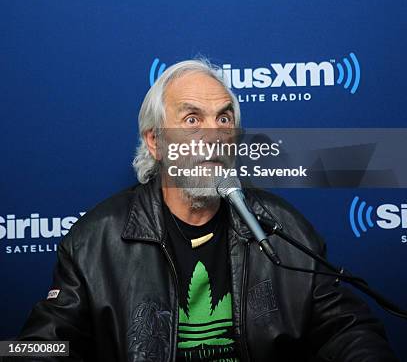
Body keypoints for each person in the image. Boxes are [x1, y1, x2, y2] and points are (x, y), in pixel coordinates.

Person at [14, 59, 398, 361]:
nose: (214, 135)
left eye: (224, 119)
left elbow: (347, 329)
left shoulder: (284, 229)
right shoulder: (94, 243)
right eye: (192, 119)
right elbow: (45, 343)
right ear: (155, 141)